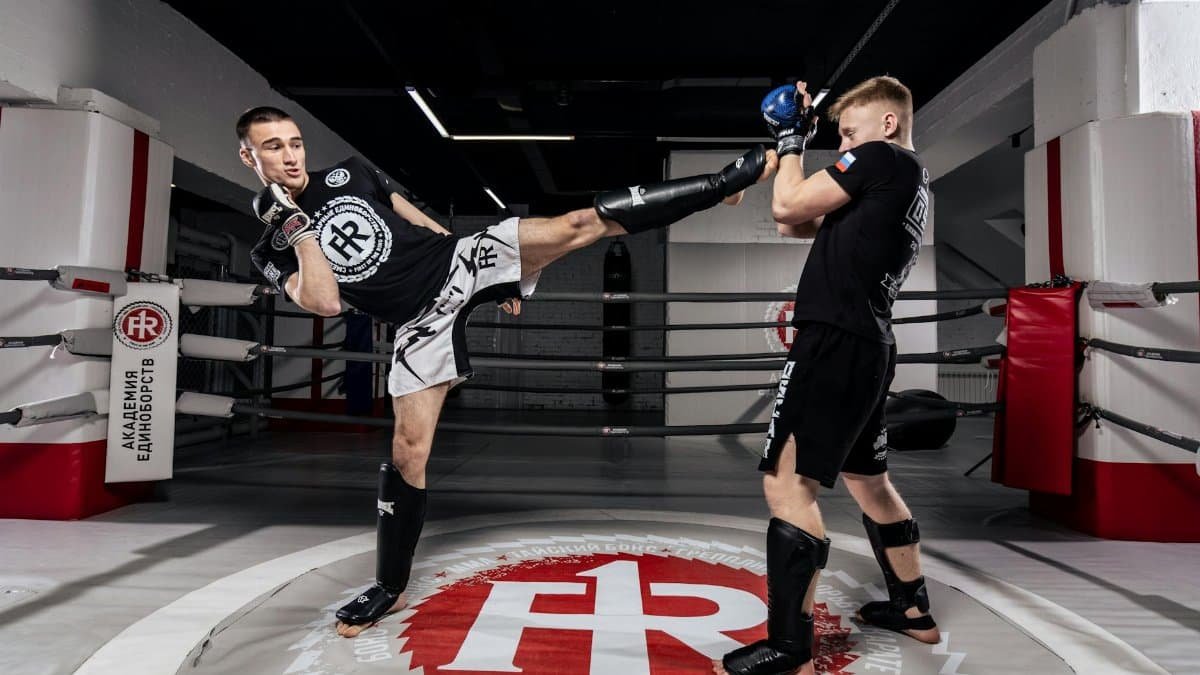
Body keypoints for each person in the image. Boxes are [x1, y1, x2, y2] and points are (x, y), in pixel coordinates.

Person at [236, 106, 778, 638]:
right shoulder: (271, 249)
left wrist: (490, 276)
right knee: (407, 451)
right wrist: (294, 224)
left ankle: (722, 183)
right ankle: (388, 585)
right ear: (248, 156)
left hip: (457, 261)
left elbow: (413, 217)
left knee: (578, 224)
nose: (290, 156)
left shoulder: (349, 171)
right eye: (273, 147)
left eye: (295, 142)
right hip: (415, 321)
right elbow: (326, 302)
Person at [716, 77, 938, 675]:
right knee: (870, 481)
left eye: (848, 131)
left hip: (835, 338)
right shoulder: (909, 183)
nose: (843, 142)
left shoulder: (879, 156)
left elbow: (787, 205)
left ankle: (790, 650)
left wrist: (792, 138)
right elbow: (794, 223)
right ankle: (912, 610)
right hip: (869, 342)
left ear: (886, 124)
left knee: (788, 485)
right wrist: (797, 153)